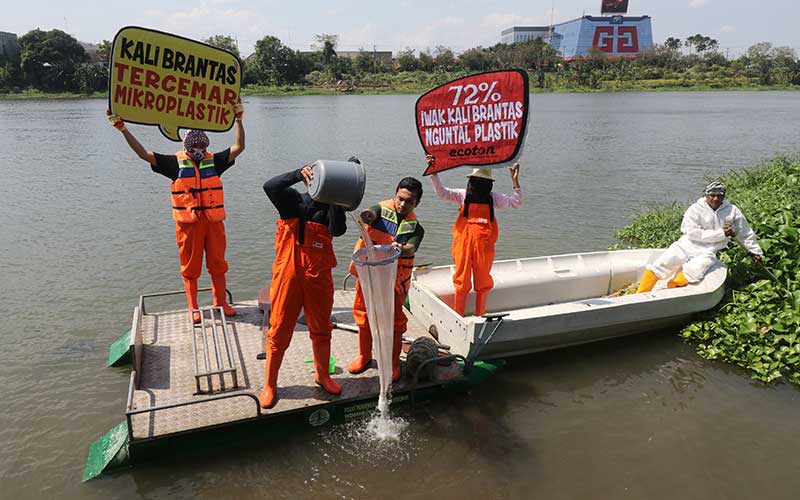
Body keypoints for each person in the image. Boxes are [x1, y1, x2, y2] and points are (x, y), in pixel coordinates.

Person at [106, 103, 244, 323]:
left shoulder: (215, 161)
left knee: (218, 264)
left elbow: (239, 147)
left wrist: (238, 119)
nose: (199, 147)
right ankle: (193, 307)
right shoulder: (173, 163)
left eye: (202, 143)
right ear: (187, 144)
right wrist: (123, 128)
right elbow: (143, 154)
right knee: (190, 268)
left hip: (213, 222)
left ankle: (221, 302)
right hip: (189, 225)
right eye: (194, 143)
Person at [258, 163, 348, 409]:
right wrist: (297, 173)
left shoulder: (331, 207)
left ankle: (323, 376)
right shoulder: (292, 201)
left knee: (322, 329)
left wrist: (336, 199)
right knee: (279, 332)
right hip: (288, 277)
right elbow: (270, 186)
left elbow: (338, 230)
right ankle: (270, 385)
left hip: (318, 279)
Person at [347, 178, 425, 381]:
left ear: (416, 203)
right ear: (395, 195)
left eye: (409, 201)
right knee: (363, 316)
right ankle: (364, 357)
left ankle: (392, 364)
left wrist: (402, 248)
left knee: (395, 323)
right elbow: (369, 213)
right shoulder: (380, 211)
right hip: (368, 275)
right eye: (400, 199)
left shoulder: (416, 229)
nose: (402, 204)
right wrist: (366, 216)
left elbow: (411, 249)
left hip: (393, 281)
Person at [427, 154, 522, 317]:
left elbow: (516, 203)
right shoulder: (462, 195)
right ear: (470, 181)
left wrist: (515, 182)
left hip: (484, 247)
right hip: (463, 245)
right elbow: (442, 193)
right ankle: (458, 317)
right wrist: (433, 172)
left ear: (489, 184)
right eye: (476, 180)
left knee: (483, 281)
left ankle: (480, 316)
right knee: (461, 281)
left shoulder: (493, 198)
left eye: (482, 182)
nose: (479, 184)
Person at [636, 181, 763, 293]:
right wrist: (721, 234)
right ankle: (640, 293)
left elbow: (745, 232)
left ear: (724, 196)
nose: (715, 199)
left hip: (709, 250)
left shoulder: (732, 211)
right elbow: (691, 232)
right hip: (687, 244)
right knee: (662, 263)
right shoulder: (695, 209)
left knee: (695, 271)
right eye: (712, 195)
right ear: (706, 195)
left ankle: (671, 287)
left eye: (719, 196)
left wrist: (754, 252)